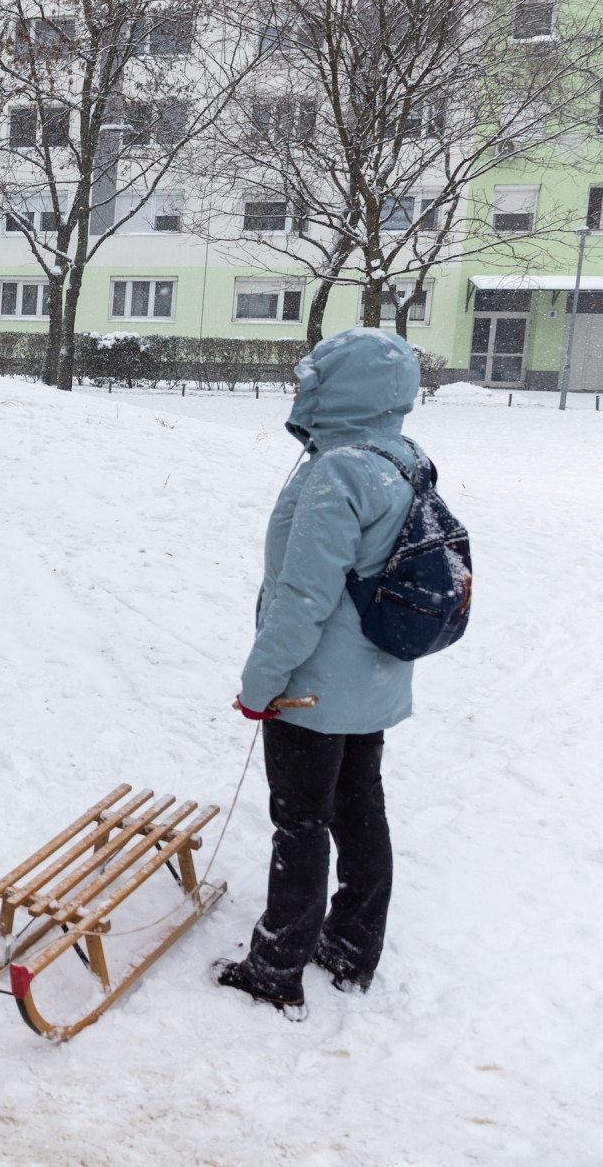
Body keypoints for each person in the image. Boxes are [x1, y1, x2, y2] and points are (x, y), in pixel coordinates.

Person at [216, 328, 427, 1016]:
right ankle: (350, 947)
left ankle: (275, 968)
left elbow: (304, 596)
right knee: (359, 807)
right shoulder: (399, 456)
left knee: (300, 822)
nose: (301, 387)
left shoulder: (341, 470)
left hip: (311, 687)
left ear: (341, 389)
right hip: (371, 679)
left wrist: (260, 684)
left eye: (313, 378)